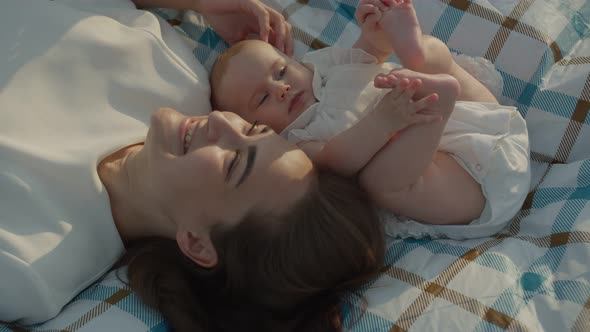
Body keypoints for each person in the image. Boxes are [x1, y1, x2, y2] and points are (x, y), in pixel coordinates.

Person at [0, 1, 385, 331]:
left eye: (234, 163)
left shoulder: (30, 264)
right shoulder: (179, 78)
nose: (221, 122)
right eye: (253, 128)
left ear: (197, 244)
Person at [210, 0, 531, 237]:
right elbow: (337, 160)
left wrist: (375, 35)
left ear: (292, 59)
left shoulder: (326, 66)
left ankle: (416, 50)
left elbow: (369, 56)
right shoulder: (297, 142)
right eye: (263, 97)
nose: (281, 88)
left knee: (431, 57)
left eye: (280, 71)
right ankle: (436, 102)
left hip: (485, 121)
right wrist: (383, 121)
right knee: (378, 182)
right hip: (473, 185)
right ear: (255, 127)